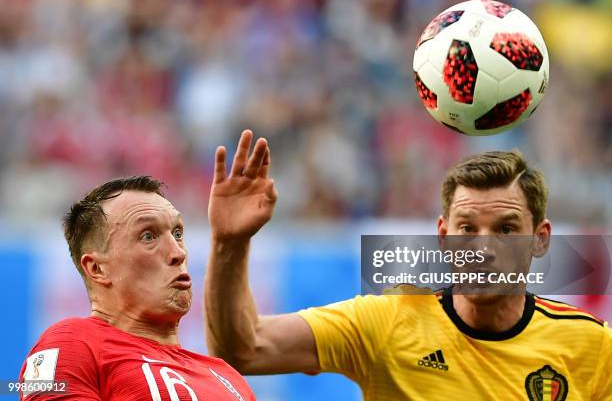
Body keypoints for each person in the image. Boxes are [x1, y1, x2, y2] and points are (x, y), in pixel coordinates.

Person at [205, 130, 612, 400]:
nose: (484, 247)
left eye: (506, 230)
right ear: (442, 235)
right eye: (467, 227)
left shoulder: (592, 346)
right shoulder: (386, 323)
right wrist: (230, 242)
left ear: (540, 239)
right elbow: (243, 350)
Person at [19, 176, 255, 400]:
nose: (178, 253)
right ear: (97, 268)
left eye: (178, 233)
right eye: (148, 236)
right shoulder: (71, 345)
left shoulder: (228, 377)